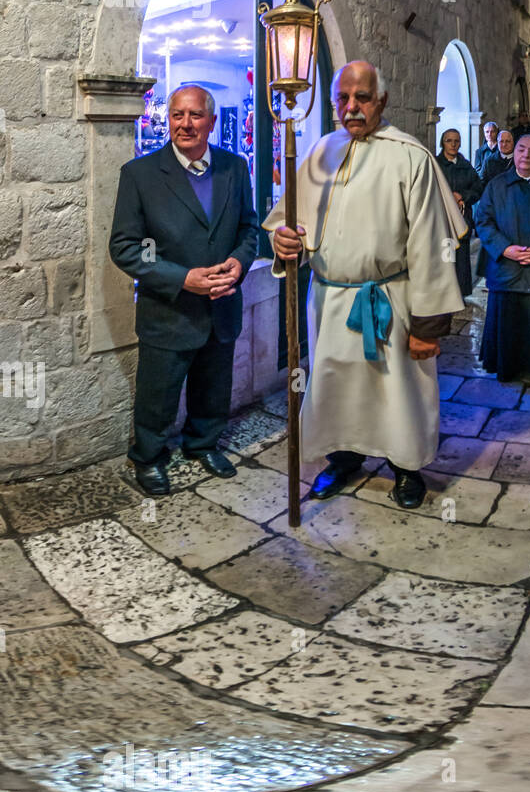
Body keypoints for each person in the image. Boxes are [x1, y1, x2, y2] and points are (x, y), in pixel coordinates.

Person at [265, 61, 466, 510]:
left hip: (391, 299)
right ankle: (343, 457)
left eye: (362, 98)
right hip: (330, 300)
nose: (351, 107)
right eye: (343, 98)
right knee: (338, 385)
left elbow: (432, 246)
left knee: (399, 391)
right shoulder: (319, 153)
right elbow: (287, 222)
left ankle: (407, 467)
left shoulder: (409, 156)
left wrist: (427, 325)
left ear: (382, 102)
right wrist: (283, 240)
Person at [110, 84, 263, 496]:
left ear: (212, 122)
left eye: (195, 115)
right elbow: (124, 248)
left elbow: (250, 228)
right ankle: (148, 457)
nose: (185, 123)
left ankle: (203, 444)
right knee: (158, 394)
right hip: (170, 309)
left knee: (213, 386)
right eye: (177, 115)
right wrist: (182, 278)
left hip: (222, 306)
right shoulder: (140, 175)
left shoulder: (236, 168)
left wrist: (239, 263)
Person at [473, 131, 530, 385]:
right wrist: (504, 248)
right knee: (508, 321)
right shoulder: (497, 185)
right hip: (507, 268)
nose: (526, 156)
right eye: (521, 150)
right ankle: (507, 367)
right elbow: (483, 221)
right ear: (514, 152)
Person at [436, 128, 483, 300]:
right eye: (449, 140)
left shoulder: (466, 165)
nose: (453, 144)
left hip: (462, 219)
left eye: (456, 141)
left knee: (461, 258)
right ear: (443, 142)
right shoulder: (436, 164)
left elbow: (478, 187)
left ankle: (459, 293)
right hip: (443, 219)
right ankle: (444, 293)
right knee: (445, 255)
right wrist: (449, 197)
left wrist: (463, 196)